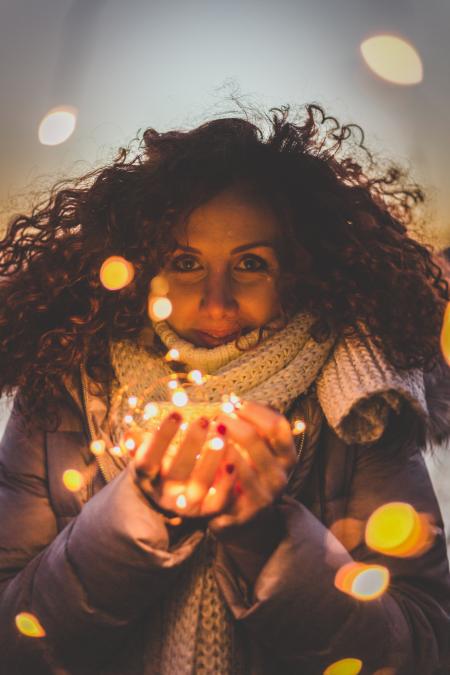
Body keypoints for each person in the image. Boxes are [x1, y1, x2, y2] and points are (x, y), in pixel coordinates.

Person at [0, 103, 449, 675]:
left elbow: (423, 649)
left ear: (297, 271)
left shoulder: (360, 404)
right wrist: (138, 515)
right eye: (186, 261)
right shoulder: (62, 392)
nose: (217, 301)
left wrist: (266, 537)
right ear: (142, 263)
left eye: (250, 263)